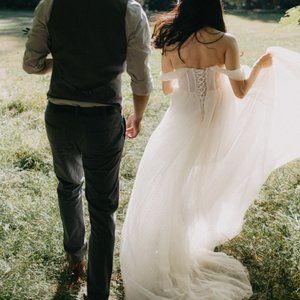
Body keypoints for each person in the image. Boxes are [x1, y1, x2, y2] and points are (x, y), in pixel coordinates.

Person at [120, 0, 300, 299]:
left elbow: (167, 89)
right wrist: (256, 66)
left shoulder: (171, 40)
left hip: (180, 124)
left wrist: (191, 78)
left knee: (171, 186)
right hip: (215, 126)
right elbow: (241, 93)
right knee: (201, 185)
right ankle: (183, 246)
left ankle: (169, 249)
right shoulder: (226, 41)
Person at [22, 0, 153, 299]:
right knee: (103, 207)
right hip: (103, 120)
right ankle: (97, 291)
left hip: (60, 115)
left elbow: (32, 64)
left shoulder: (50, 6)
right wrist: (139, 115)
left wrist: (66, 62)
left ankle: (74, 256)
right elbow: (140, 75)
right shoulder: (129, 11)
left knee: (68, 186)